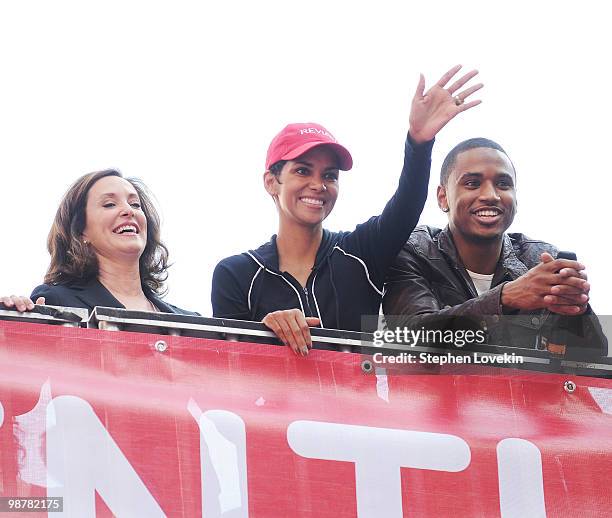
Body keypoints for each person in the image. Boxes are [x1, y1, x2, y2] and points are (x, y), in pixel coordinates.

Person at [212, 65, 483, 356]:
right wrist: (264, 330)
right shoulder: (235, 274)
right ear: (271, 182)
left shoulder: (361, 252)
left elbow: (405, 207)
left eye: (330, 175)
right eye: (303, 171)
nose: (318, 185)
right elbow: (228, 369)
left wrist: (419, 142)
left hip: (359, 400)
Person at [383, 138, 607, 357]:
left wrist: (577, 311)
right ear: (443, 198)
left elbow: (592, 360)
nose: (490, 195)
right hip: (432, 395)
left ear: (516, 199)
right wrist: (503, 299)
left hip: (522, 395)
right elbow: (408, 339)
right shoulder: (414, 251)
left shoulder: (540, 260)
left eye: (503, 184)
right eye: (472, 183)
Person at [1, 169, 197, 315]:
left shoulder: (191, 321)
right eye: (109, 204)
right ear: (80, 231)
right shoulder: (57, 302)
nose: (129, 211)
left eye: (135, 204)